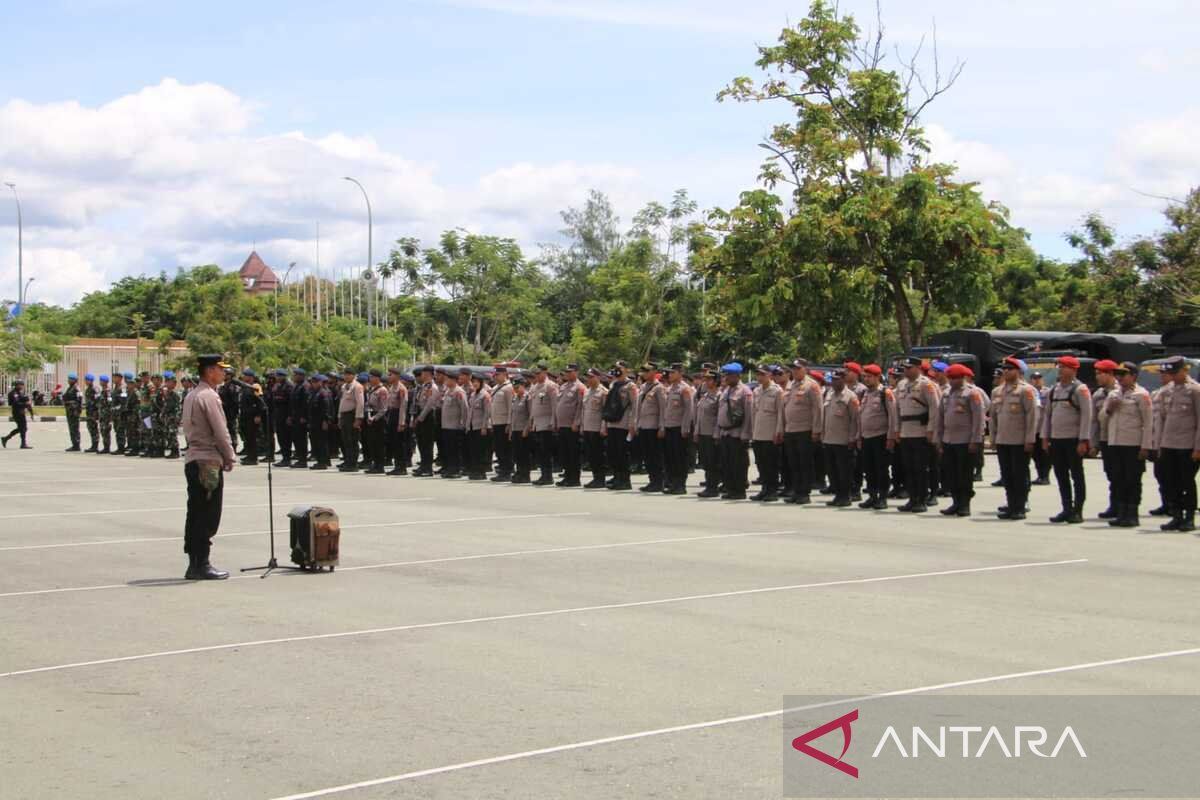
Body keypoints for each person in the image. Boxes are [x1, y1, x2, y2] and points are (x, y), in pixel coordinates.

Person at [180, 354, 237, 580]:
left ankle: (195, 562)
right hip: (207, 461)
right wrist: (229, 456)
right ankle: (201, 563)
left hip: (194, 457)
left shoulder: (192, 394)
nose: (224, 373)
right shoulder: (209, 396)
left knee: (195, 513)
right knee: (208, 514)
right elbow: (220, 431)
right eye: (221, 369)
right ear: (210, 371)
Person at [1100, 362, 1153, 528]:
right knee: (1118, 479)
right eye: (1118, 374)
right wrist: (1109, 408)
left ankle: (1132, 514)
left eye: (1124, 374)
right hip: (1115, 443)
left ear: (1134, 376)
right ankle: (1121, 513)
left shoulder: (1141, 394)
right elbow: (1102, 418)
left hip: (1133, 444)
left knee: (1132, 479)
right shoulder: (1113, 394)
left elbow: (1148, 422)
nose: (1120, 378)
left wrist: (1145, 446)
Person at [1041, 355, 1092, 524]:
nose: (1061, 370)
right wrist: (1045, 437)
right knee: (1061, 475)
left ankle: (1077, 510)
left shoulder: (1080, 389)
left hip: (1073, 439)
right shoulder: (1053, 390)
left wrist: (1083, 440)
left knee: (1077, 475)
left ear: (1074, 369)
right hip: (1057, 439)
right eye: (1059, 367)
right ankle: (1066, 508)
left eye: (1064, 367)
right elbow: (1047, 415)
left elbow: (1087, 416)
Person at [1155, 356, 1200, 532]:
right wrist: (1159, 445)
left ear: (1185, 370)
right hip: (1169, 443)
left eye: (1175, 372)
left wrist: (1198, 448)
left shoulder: (1195, 390)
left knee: (1187, 482)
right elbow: (1162, 419)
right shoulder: (1167, 391)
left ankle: (1189, 517)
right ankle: (1176, 515)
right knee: (1170, 481)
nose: (1172, 376)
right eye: (1170, 373)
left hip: (1187, 444)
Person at [991, 357, 1039, 520]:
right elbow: (994, 417)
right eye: (1004, 369)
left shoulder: (1026, 390)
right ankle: (1011, 504)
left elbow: (1032, 417)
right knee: (1007, 475)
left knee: (1019, 474)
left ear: (1018, 371)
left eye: (1009, 369)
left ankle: (1020, 506)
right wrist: (993, 438)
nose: (1006, 372)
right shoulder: (997, 391)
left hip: (1019, 440)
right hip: (1003, 439)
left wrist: (1030, 439)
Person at [937, 364, 984, 517]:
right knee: (951, 474)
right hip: (948, 440)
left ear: (962, 378)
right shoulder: (945, 394)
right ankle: (956, 502)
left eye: (954, 378)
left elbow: (979, 418)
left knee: (964, 475)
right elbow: (940, 418)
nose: (951, 381)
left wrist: (975, 440)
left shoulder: (972, 393)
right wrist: (939, 439)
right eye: (950, 378)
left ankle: (965, 504)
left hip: (965, 440)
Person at [895, 357, 940, 513]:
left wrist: (931, 429)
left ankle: (921, 499)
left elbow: (935, 408)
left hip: (921, 431)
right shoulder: (901, 385)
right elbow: (897, 410)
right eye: (905, 368)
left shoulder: (926, 384)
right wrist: (897, 429)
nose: (906, 371)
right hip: (906, 431)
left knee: (920, 468)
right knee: (908, 468)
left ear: (918, 368)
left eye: (909, 368)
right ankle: (912, 498)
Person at [857, 364, 897, 510]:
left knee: (881, 469)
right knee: (869, 468)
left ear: (878, 377)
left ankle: (882, 497)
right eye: (865, 377)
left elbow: (893, 416)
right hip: (866, 436)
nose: (866, 379)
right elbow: (860, 417)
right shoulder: (864, 394)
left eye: (869, 377)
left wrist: (891, 437)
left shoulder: (885, 393)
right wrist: (859, 436)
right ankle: (872, 496)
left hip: (881, 436)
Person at [822, 370, 861, 507]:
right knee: (832, 471)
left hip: (844, 440)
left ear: (844, 379)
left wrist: (853, 438)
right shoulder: (829, 394)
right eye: (832, 379)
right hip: (829, 438)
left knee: (844, 471)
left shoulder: (851, 396)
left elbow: (855, 420)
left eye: (837, 379)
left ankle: (845, 496)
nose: (834, 382)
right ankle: (838, 495)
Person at [716, 362, 753, 500]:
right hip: (725, 432)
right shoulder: (726, 391)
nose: (726, 378)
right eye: (726, 375)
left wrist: (746, 433)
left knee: (739, 464)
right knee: (727, 463)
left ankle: (739, 490)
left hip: (737, 433)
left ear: (737, 376)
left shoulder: (745, 391)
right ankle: (731, 488)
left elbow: (749, 415)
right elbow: (720, 412)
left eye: (729, 375)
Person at [750, 364, 784, 502]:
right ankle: (764, 489)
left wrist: (779, 432)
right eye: (758, 374)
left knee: (771, 465)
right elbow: (753, 413)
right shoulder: (756, 391)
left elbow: (781, 413)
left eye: (762, 374)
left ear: (770, 375)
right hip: (758, 433)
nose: (759, 377)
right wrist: (752, 432)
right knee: (761, 464)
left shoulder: (777, 391)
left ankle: (772, 491)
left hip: (771, 434)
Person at [1090, 360, 1119, 519]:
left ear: (1111, 374)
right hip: (1105, 439)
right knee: (1111, 474)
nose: (1097, 377)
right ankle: (1114, 505)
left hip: (1122, 439)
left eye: (1100, 373)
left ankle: (1124, 506)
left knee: (1123, 475)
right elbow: (1094, 421)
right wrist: (1094, 443)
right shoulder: (1098, 394)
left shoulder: (1122, 391)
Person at [604, 362, 638, 491]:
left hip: (624, 424)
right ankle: (617, 476)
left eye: (620, 368)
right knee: (613, 452)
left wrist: (633, 423)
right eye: (615, 368)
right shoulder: (614, 384)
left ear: (626, 370)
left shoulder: (631, 386)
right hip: (612, 422)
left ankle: (625, 480)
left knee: (622, 452)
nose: (617, 370)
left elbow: (635, 406)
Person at [662, 363, 695, 495]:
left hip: (679, 428)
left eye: (673, 372)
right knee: (670, 457)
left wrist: (685, 427)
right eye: (669, 372)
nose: (670, 375)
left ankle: (680, 484)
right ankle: (672, 483)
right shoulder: (670, 388)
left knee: (680, 458)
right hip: (669, 426)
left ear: (680, 373)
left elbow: (689, 410)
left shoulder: (685, 389)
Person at [635, 363, 667, 493]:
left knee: (655, 456)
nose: (644, 373)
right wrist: (636, 424)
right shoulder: (643, 387)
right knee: (647, 456)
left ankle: (658, 482)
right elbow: (638, 408)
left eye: (647, 371)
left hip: (654, 426)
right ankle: (652, 480)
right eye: (643, 371)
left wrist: (662, 427)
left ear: (654, 372)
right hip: (643, 425)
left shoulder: (659, 388)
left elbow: (663, 409)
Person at [555, 364, 585, 487]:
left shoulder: (580, 387)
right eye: (566, 372)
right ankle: (567, 476)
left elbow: (580, 406)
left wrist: (576, 422)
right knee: (564, 453)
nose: (567, 374)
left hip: (571, 425)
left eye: (570, 372)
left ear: (576, 372)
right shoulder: (563, 386)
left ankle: (574, 478)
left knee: (573, 453)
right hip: (562, 424)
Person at [694, 371, 722, 497]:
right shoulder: (705, 395)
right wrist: (696, 431)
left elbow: (718, 418)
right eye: (705, 379)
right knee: (706, 461)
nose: (706, 381)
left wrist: (716, 434)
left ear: (716, 381)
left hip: (711, 434)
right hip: (702, 432)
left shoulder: (719, 395)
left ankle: (712, 487)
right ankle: (709, 485)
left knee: (712, 462)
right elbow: (699, 415)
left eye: (709, 379)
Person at [581, 368, 610, 489]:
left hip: (597, 428)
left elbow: (606, 412)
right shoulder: (587, 391)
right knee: (591, 455)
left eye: (591, 377)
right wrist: (582, 426)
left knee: (598, 454)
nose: (589, 379)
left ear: (598, 377)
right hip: (587, 427)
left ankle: (600, 479)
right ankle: (595, 477)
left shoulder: (603, 392)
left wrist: (604, 427)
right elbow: (584, 410)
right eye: (588, 377)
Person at [440, 369, 469, 479]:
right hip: (446, 425)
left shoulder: (459, 392)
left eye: (447, 379)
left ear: (453, 380)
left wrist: (463, 423)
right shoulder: (448, 391)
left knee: (454, 449)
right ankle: (450, 468)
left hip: (455, 426)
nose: (445, 381)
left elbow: (464, 408)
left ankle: (455, 469)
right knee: (448, 449)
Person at [411, 366, 440, 476]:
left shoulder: (433, 387)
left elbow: (429, 405)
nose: (421, 375)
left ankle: (427, 468)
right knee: (421, 442)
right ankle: (423, 465)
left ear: (429, 374)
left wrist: (420, 418)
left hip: (427, 416)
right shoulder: (423, 386)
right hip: (420, 415)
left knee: (427, 443)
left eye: (423, 373)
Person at [465, 373, 492, 480]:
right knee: (473, 450)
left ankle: (481, 472)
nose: (474, 384)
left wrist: (484, 426)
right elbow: (470, 412)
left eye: (477, 382)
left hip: (481, 427)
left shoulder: (485, 395)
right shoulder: (472, 395)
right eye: (473, 382)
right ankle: (475, 470)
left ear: (481, 383)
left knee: (481, 451)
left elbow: (487, 412)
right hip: (472, 426)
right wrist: (467, 426)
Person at [1029, 371, 1052, 485]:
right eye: (1034, 378)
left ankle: (1045, 476)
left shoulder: (1047, 392)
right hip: (1034, 428)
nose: (1037, 380)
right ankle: (1040, 475)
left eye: (1039, 378)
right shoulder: (1030, 392)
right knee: (1035, 454)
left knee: (1045, 454)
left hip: (1043, 427)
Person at [509, 376, 533, 483]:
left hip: (524, 431)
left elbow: (530, 415)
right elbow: (513, 415)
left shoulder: (528, 398)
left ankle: (525, 474)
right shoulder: (514, 398)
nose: (515, 389)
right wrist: (511, 430)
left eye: (517, 387)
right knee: (516, 454)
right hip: (515, 429)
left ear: (523, 386)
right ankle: (519, 472)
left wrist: (526, 428)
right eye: (514, 387)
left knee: (524, 454)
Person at [2, 379, 33, 448]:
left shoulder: (20, 393)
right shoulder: (13, 393)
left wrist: (31, 413)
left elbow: (26, 403)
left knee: (22, 428)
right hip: (17, 412)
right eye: (20, 385)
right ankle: (23, 444)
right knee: (23, 428)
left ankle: (6, 438)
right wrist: (25, 404)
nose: (22, 386)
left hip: (21, 412)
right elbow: (15, 404)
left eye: (22, 385)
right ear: (17, 385)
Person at [161, 373, 182, 458]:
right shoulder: (167, 394)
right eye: (167, 382)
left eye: (170, 382)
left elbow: (174, 407)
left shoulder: (175, 395)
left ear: (174, 384)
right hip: (168, 417)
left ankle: (175, 451)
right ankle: (172, 450)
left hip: (173, 417)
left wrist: (176, 418)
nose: (167, 384)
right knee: (168, 434)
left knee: (172, 434)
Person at [63, 373, 82, 451]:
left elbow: (79, 399)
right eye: (68, 379)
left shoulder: (76, 388)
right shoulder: (70, 388)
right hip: (70, 411)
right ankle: (74, 444)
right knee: (71, 428)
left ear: (74, 380)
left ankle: (76, 445)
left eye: (70, 379)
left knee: (75, 428)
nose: (68, 380)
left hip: (74, 411)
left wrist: (76, 409)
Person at [83, 373, 100, 452]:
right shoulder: (88, 389)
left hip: (93, 412)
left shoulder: (95, 389)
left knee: (94, 429)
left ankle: (95, 445)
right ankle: (93, 445)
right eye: (85, 380)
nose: (86, 382)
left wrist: (96, 413)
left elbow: (97, 401)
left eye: (87, 380)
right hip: (89, 412)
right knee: (90, 428)